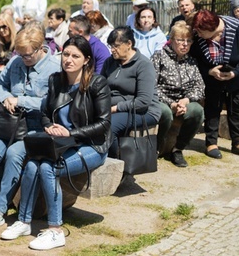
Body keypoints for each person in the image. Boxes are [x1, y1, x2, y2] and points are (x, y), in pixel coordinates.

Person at [2, 36, 111, 250]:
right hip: (59, 143)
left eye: (75, 56)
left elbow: (104, 124)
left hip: (91, 145)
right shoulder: (55, 80)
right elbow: (44, 113)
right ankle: (24, 222)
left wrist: (70, 132)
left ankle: (55, 230)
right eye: (66, 54)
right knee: (33, 164)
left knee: (48, 167)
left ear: (87, 60)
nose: (69, 60)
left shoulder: (97, 84)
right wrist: (49, 126)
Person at [0, 28, 59, 232]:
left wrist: (21, 100)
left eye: (28, 55)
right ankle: (2, 192)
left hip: (37, 127)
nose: (23, 59)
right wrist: (6, 97)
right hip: (9, 125)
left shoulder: (54, 68)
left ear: (41, 49)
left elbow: (51, 102)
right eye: (20, 54)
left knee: (14, 154)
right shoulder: (16, 62)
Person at [101, 27, 162, 158]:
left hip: (143, 111)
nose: (112, 49)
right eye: (111, 46)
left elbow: (143, 101)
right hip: (114, 107)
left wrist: (115, 108)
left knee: (110, 126)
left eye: (116, 46)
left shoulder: (143, 65)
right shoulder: (110, 62)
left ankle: (118, 165)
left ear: (129, 44)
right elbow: (101, 88)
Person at [152, 21, 205, 167]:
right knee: (165, 113)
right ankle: (158, 148)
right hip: (162, 100)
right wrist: (172, 104)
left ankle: (177, 149)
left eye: (188, 41)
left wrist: (186, 101)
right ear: (171, 40)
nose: (185, 44)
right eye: (180, 40)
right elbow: (151, 86)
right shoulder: (159, 57)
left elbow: (199, 86)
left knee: (198, 111)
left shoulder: (191, 61)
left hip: (184, 101)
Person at [192, 10, 239, 158]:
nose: (199, 35)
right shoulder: (198, 37)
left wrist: (235, 73)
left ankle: (237, 141)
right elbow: (195, 60)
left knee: (236, 109)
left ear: (211, 28)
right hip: (212, 79)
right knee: (212, 109)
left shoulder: (236, 28)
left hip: (234, 76)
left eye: (201, 32)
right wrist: (209, 71)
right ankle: (211, 142)